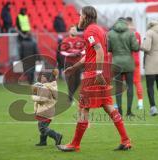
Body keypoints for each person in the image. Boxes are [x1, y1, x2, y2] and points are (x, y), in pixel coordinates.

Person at [57, 6, 131, 152]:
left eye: (80, 16)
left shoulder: (90, 30)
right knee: (108, 106)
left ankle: (74, 144)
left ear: (85, 16)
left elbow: (99, 50)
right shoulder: (99, 29)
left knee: (83, 107)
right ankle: (126, 140)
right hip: (104, 72)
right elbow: (91, 53)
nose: (79, 18)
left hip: (94, 74)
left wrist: (97, 72)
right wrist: (75, 67)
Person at [108, 18, 139, 117]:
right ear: (125, 23)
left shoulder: (110, 33)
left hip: (116, 62)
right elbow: (135, 48)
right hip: (128, 62)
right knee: (130, 86)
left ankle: (120, 111)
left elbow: (108, 48)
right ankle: (129, 111)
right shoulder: (130, 33)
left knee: (118, 87)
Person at [31, 69, 62, 146]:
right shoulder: (50, 86)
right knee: (42, 126)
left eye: (43, 77)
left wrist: (33, 96)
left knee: (42, 127)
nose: (41, 78)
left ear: (47, 78)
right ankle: (43, 141)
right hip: (48, 110)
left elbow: (42, 99)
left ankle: (56, 135)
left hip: (45, 110)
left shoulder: (46, 87)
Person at [60, 25, 84, 103]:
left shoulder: (80, 40)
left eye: (75, 30)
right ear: (69, 31)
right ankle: (70, 99)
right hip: (69, 63)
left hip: (78, 63)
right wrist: (70, 54)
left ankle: (71, 94)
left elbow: (84, 50)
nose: (74, 31)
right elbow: (62, 51)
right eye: (72, 29)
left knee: (78, 81)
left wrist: (79, 52)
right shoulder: (66, 40)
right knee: (71, 80)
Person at [126, 17, 144, 110]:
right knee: (137, 82)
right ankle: (140, 103)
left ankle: (121, 104)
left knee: (124, 82)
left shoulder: (125, 34)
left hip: (127, 61)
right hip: (136, 60)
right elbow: (139, 46)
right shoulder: (137, 34)